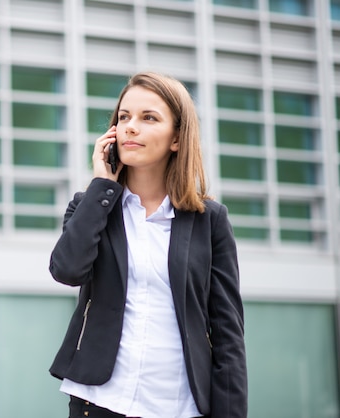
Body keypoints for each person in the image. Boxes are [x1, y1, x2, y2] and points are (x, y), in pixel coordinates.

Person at [48, 72, 247, 418]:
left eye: (148, 118)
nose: (130, 127)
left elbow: (228, 334)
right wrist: (101, 186)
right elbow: (67, 270)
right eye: (124, 117)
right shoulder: (91, 207)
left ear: (176, 139)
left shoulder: (209, 220)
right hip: (99, 403)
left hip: (178, 407)